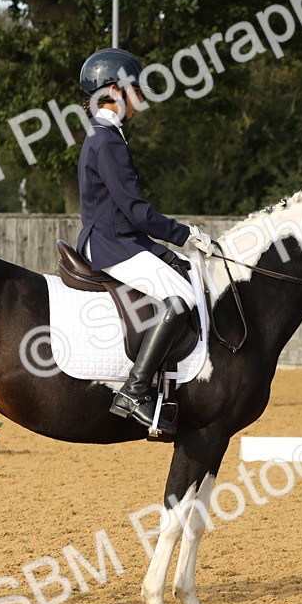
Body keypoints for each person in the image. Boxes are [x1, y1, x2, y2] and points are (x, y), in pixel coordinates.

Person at [75, 47, 214, 436]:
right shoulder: (108, 141)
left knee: (178, 275)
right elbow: (136, 211)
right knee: (180, 297)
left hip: (117, 238)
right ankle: (134, 390)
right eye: (135, 90)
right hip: (111, 243)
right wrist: (185, 235)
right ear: (114, 91)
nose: (140, 99)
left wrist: (164, 251)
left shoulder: (102, 135)